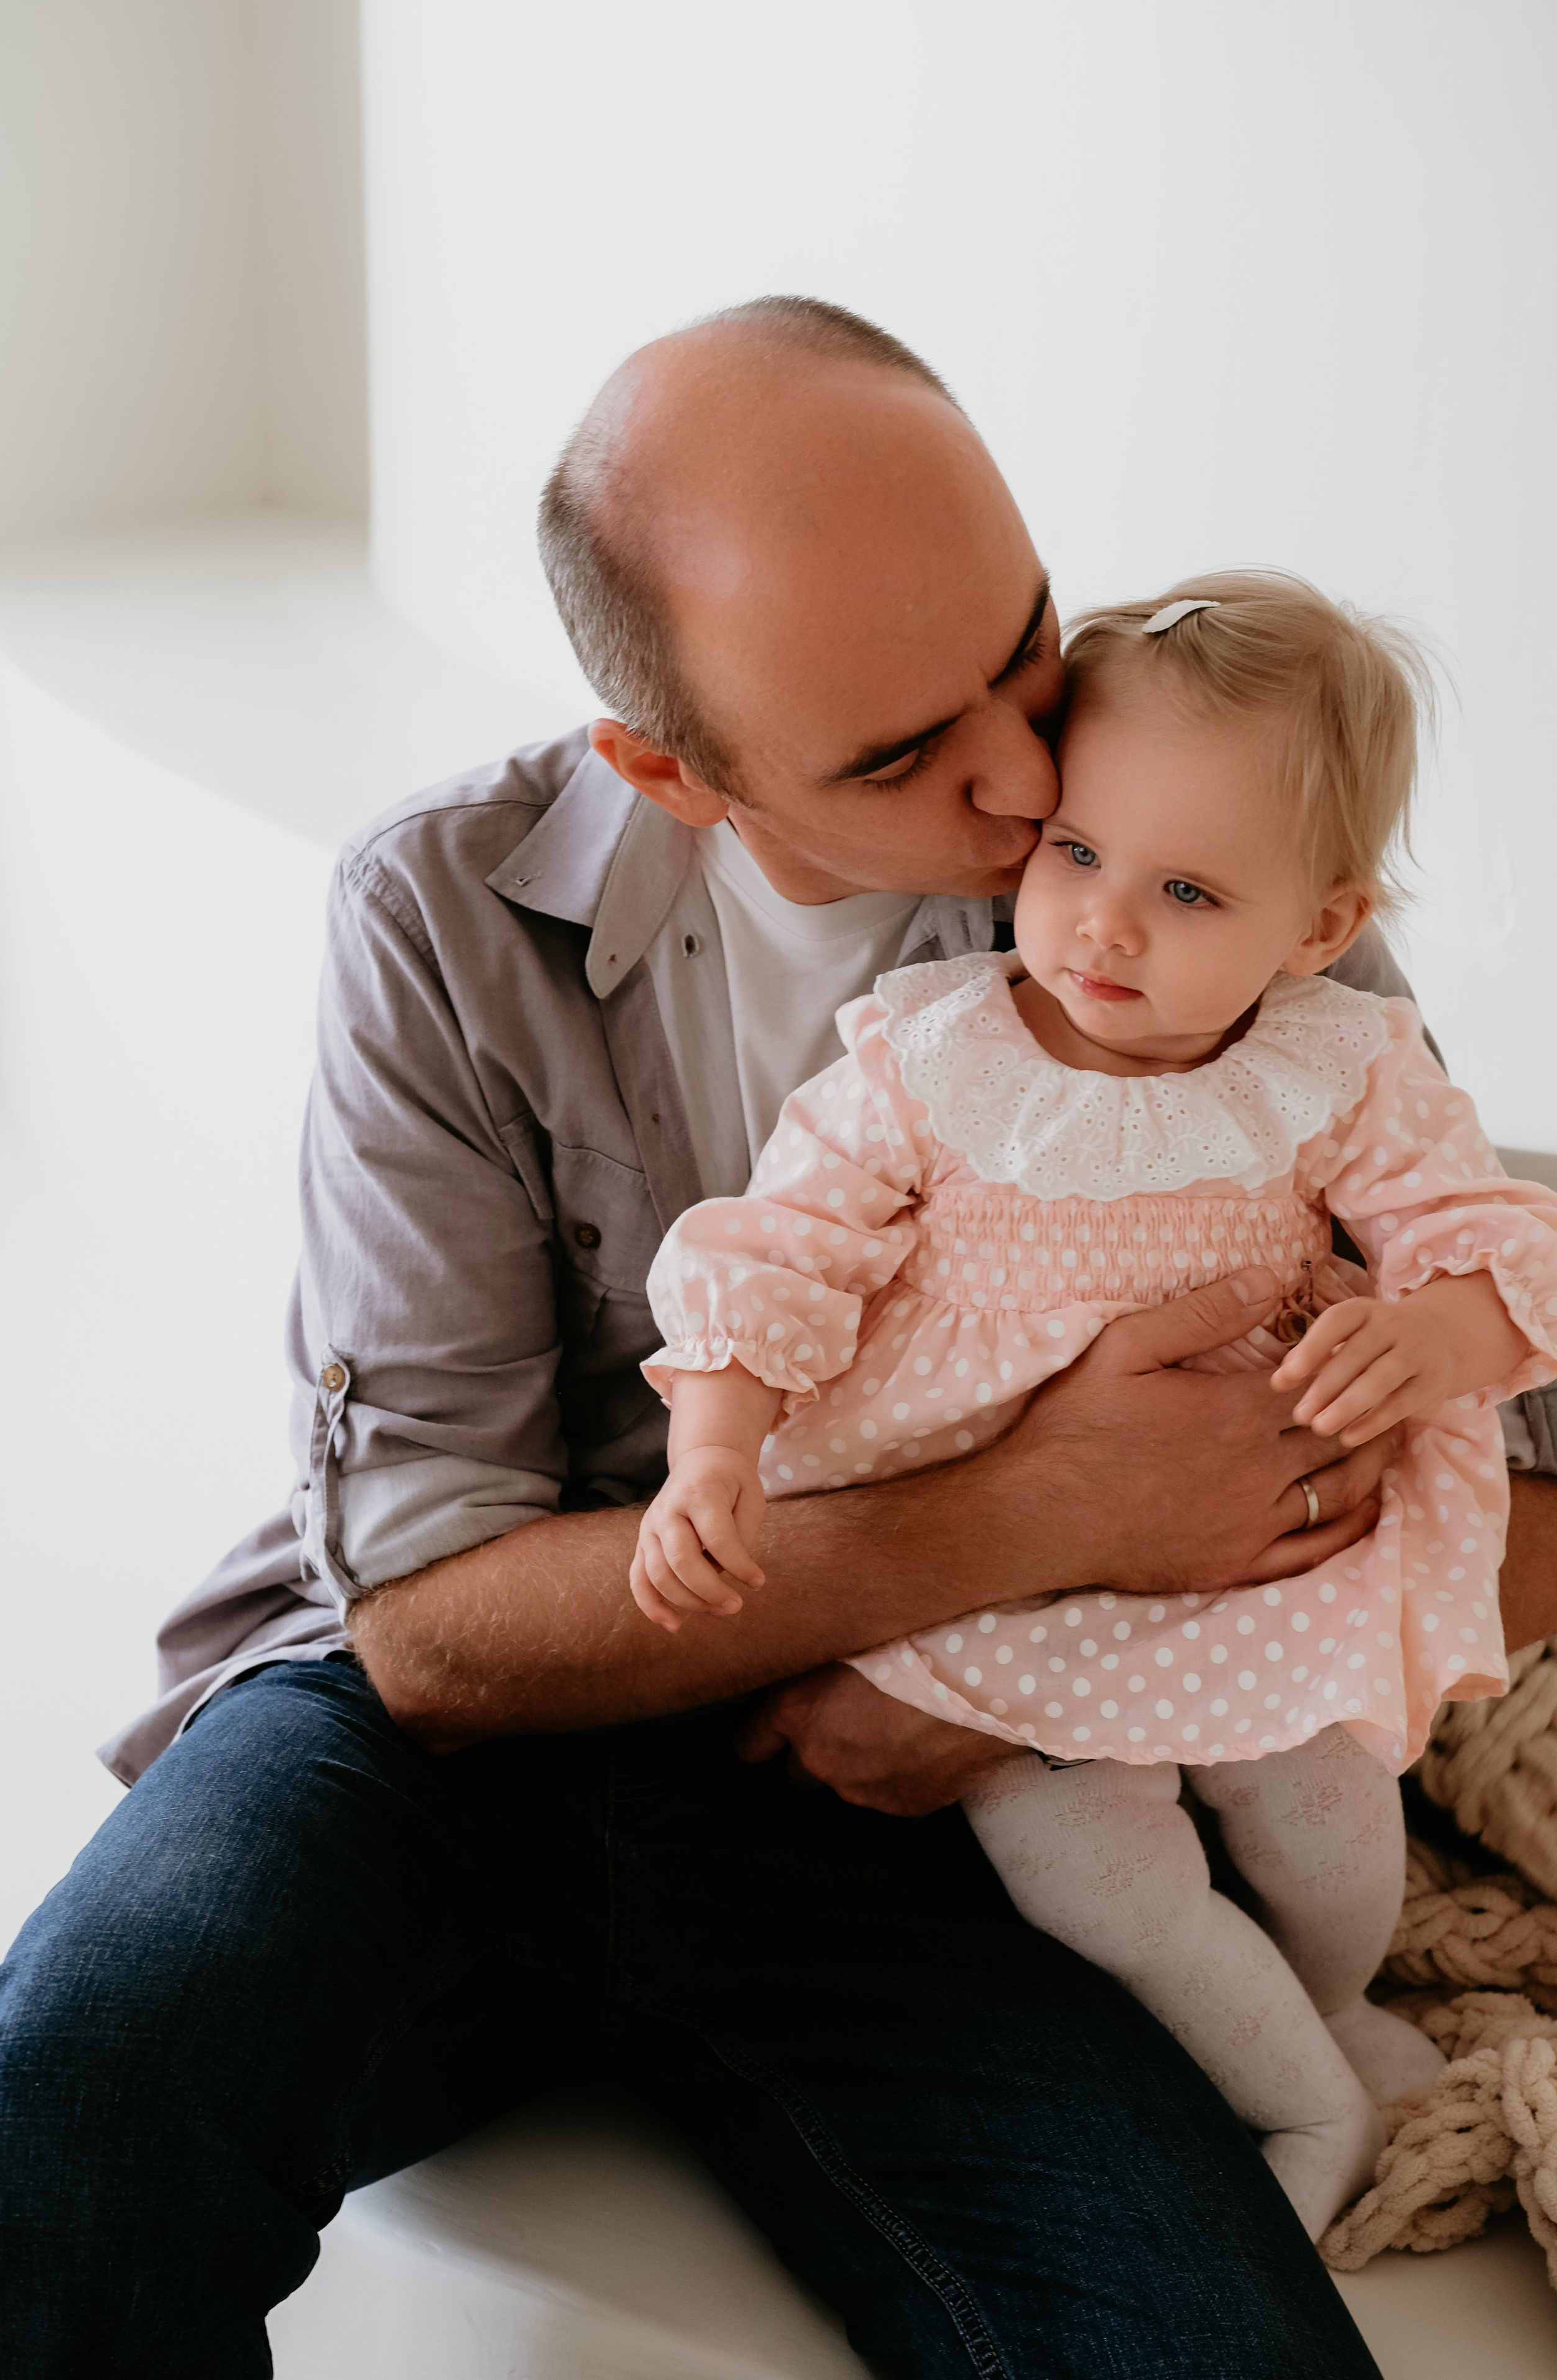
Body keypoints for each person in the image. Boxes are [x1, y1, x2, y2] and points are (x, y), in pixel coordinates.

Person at [0, 298, 1555, 2376]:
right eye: (902, 750)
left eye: (1022, 645)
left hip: (959, 1800)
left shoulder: (1195, 855)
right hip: (454, 1758)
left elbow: (1500, 1465)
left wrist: (1027, 1683)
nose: (1019, 784)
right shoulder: (441, 914)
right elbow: (435, 1632)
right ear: (674, 767)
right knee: (69, 2122)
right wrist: (1032, 1517)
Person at [632, 570, 1557, 2242]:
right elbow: (775, 1253)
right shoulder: (928, 1058)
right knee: (1098, 1877)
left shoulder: (1337, 1065)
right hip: (994, 1572)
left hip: (1253, 1557)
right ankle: (1297, 2088)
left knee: (1338, 1820)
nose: (1103, 926)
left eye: (1189, 889)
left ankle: (1336, 1995)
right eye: (1076, 855)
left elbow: (1490, 1233)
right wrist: (713, 1453)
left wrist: (1442, 1328)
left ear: (1321, 925)